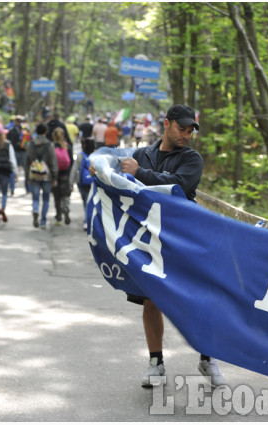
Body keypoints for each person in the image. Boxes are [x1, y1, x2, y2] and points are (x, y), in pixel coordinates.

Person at [90, 104, 225, 388]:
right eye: (182, 128)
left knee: (197, 299)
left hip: (185, 238)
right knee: (151, 301)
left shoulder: (192, 159)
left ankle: (208, 358)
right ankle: (156, 363)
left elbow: (176, 185)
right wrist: (98, 170)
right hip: (149, 240)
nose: (186, 135)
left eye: (190, 131)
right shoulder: (142, 154)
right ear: (167, 124)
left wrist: (139, 173)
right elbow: (117, 179)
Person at [25, 123, 57, 229]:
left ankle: (35, 210)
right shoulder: (49, 144)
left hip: (34, 175)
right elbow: (53, 161)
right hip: (46, 176)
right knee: (46, 198)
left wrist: (27, 177)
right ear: (46, 132)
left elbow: (27, 160)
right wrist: (54, 176)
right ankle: (43, 220)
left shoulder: (31, 144)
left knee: (35, 198)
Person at [69, 137, 95, 231]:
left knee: (86, 202)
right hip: (93, 182)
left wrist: (71, 183)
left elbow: (74, 169)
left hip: (82, 183)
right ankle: (90, 221)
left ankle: (87, 221)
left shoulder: (80, 156)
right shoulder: (96, 155)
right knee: (92, 202)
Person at [51, 127, 72, 226]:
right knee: (66, 194)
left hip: (55, 174)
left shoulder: (51, 146)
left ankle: (59, 216)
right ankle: (66, 208)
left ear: (54, 136)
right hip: (66, 174)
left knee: (57, 196)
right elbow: (71, 161)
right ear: (63, 135)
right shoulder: (67, 146)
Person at [7, 115, 24, 195]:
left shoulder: (11, 130)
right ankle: (28, 188)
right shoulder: (25, 130)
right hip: (21, 151)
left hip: (16, 151)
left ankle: (12, 187)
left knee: (12, 169)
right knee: (24, 169)